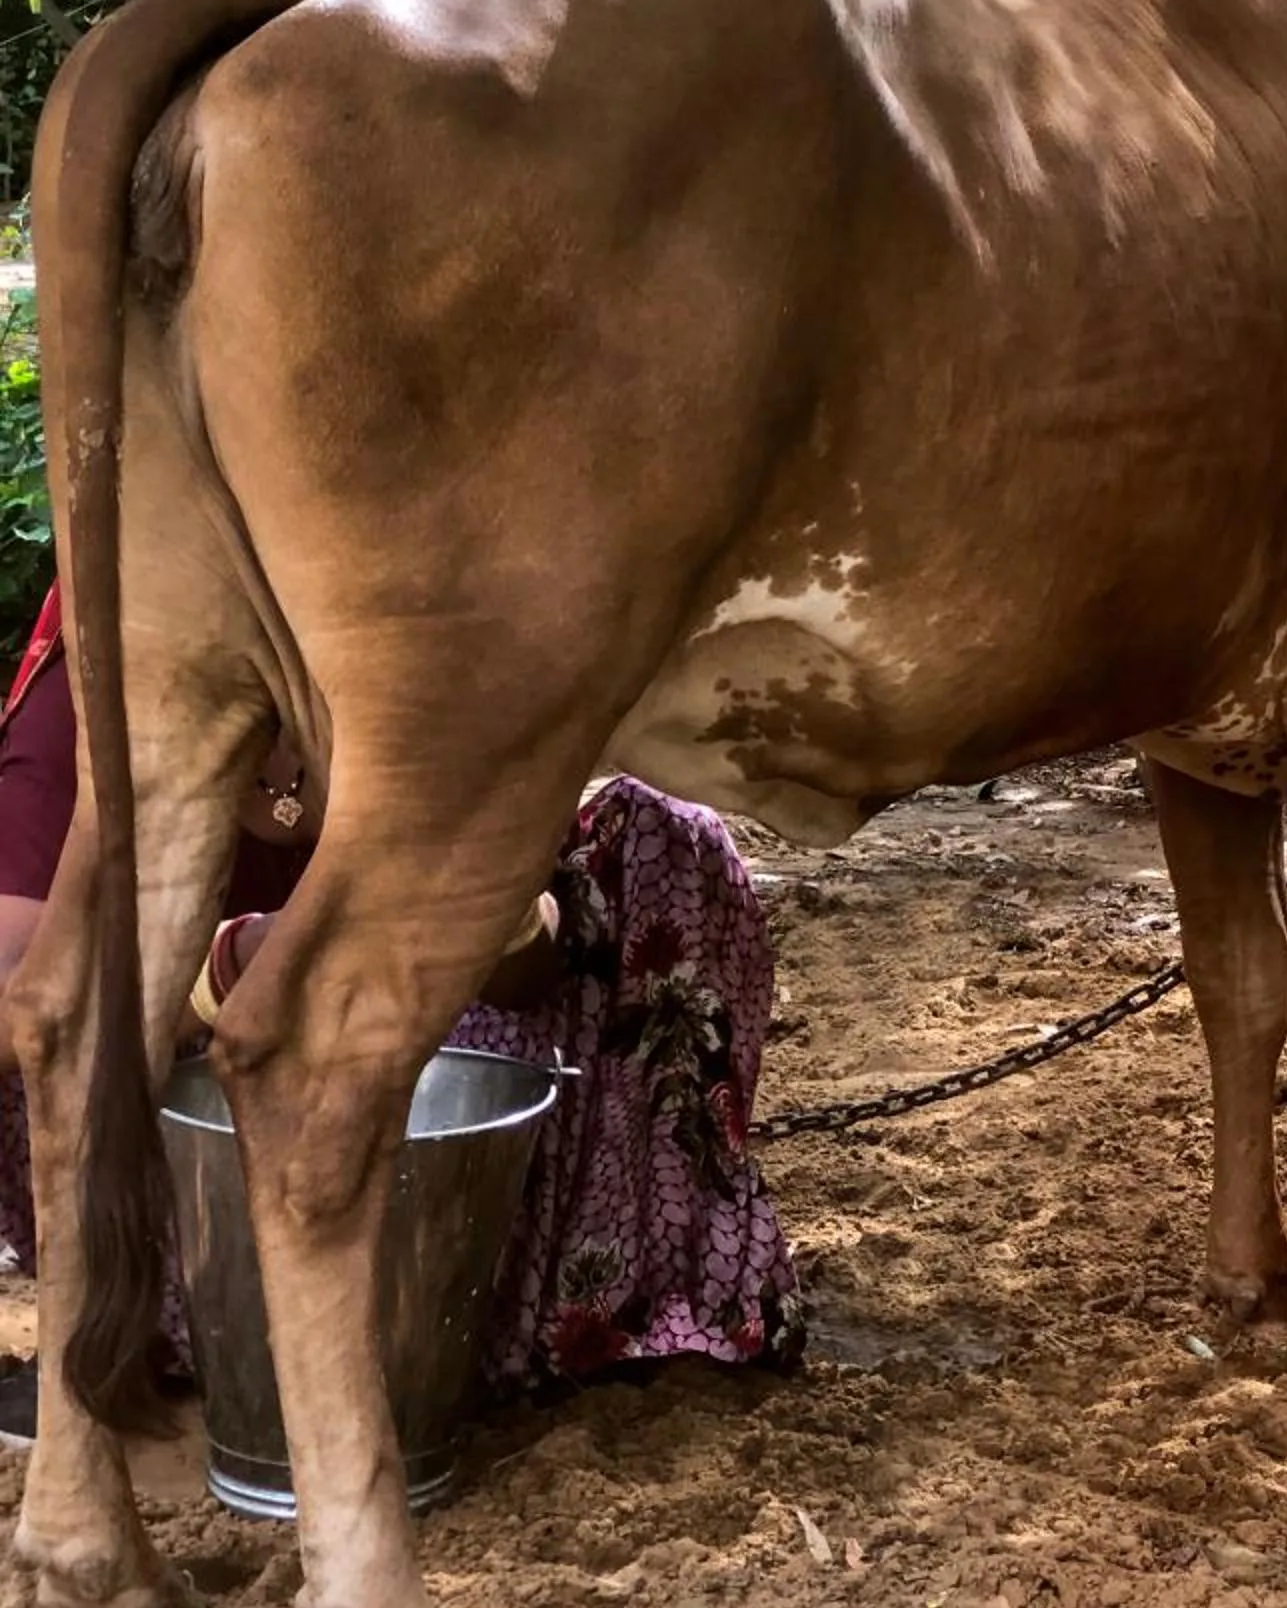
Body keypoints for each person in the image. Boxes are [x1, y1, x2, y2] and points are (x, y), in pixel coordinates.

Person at [0, 584, 805, 1442]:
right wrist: (233, 969)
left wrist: (500, 925)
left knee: (662, 837)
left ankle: (587, 1309)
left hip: (409, 1090)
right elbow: (14, 1001)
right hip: (183, 1139)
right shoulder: (98, 690)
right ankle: (190, 1334)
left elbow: (524, 975)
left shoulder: (403, 642)